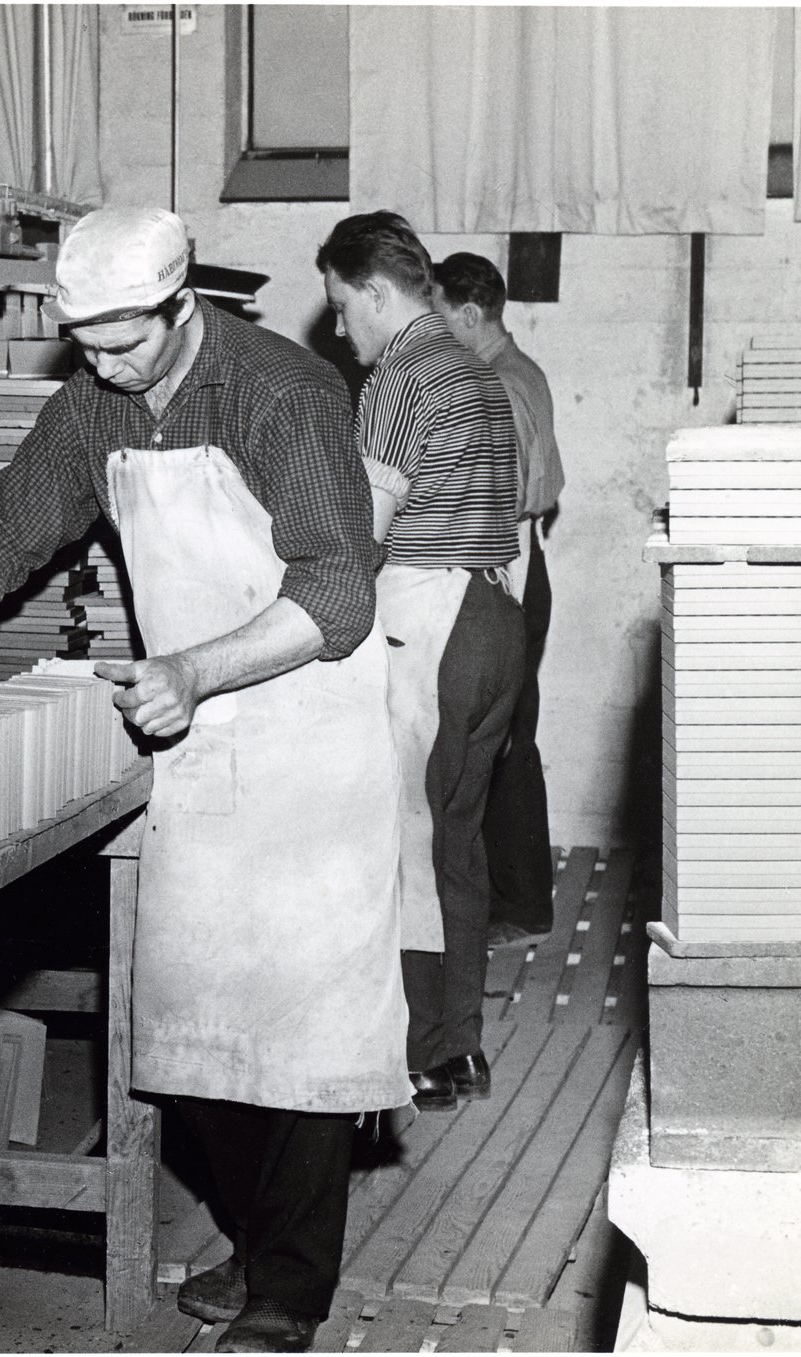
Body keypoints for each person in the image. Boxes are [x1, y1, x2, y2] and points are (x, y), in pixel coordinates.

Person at [0, 204, 410, 1354]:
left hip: (304, 732)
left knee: (298, 1039)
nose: (102, 365)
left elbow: (338, 594)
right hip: (195, 738)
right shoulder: (97, 401)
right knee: (190, 1030)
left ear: (185, 305)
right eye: (84, 342)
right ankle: (257, 1239)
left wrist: (191, 667)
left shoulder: (284, 392)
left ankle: (290, 1286)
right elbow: (7, 518)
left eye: (125, 339)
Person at [315, 213, 523, 1113]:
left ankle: (419, 1057)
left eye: (337, 306)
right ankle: (463, 1046)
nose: (335, 330)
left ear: (373, 292)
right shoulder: (479, 375)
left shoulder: (399, 376)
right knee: (459, 842)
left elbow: (363, 535)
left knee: (404, 843)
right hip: (493, 618)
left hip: (427, 620)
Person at [432, 252, 565, 945]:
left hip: (503, 572)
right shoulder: (525, 371)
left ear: (468, 313)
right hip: (523, 566)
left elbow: (496, 500)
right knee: (512, 733)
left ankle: (517, 907)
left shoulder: (492, 386)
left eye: (437, 314)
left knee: (499, 742)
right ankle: (522, 899)